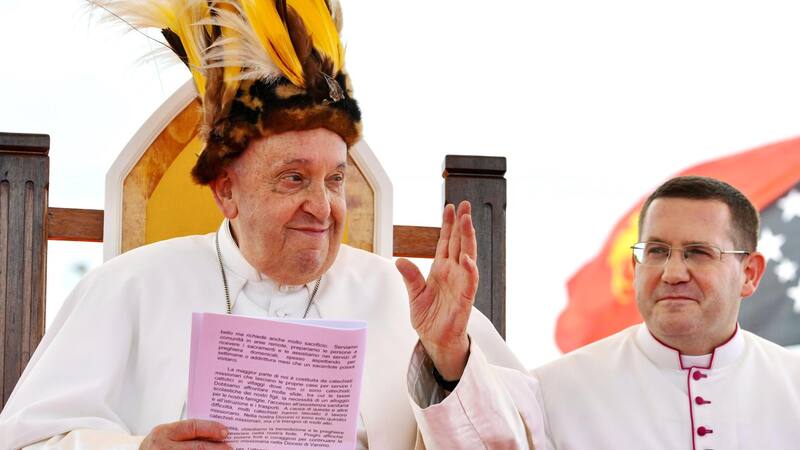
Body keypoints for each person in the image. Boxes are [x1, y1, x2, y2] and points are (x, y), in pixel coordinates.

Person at [0, 1, 547, 449]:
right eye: (293, 178)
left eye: (335, 180)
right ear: (226, 191)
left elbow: (523, 443)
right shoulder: (127, 288)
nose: (322, 206)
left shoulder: (406, 305)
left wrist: (450, 359)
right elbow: (25, 442)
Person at [436, 175, 800, 449]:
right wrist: (447, 348)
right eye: (656, 251)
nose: (672, 273)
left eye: (698, 252)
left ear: (749, 274)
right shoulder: (552, 392)